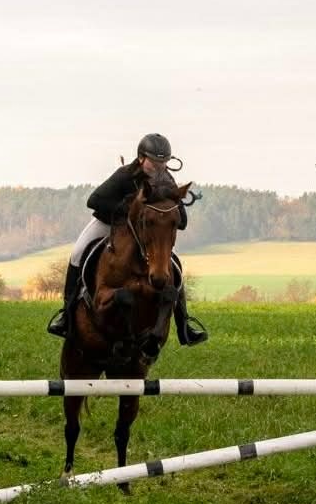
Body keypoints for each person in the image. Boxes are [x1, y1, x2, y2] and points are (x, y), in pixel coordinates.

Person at [47, 133, 208, 345]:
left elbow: (182, 221)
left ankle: (184, 323)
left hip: (148, 233)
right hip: (109, 224)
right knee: (78, 253)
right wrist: (128, 212)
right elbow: (93, 200)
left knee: (173, 265)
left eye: (163, 162)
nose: (159, 167)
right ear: (141, 158)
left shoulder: (166, 180)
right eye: (155, 162)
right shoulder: (125, 175)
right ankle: (66, 315)